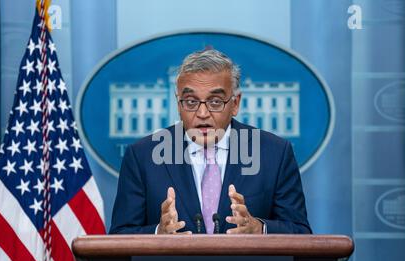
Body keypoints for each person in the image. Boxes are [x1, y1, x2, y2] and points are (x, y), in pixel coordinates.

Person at [110, 49, 311, 235]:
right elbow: (119, 237)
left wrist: (259, 228)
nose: (203, 113)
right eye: (191, 102)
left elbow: (300, 232)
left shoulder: (274, 153)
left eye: (215, 102)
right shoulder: (142, 156)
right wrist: (158, 233)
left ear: (235, 104)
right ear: (178, 103)